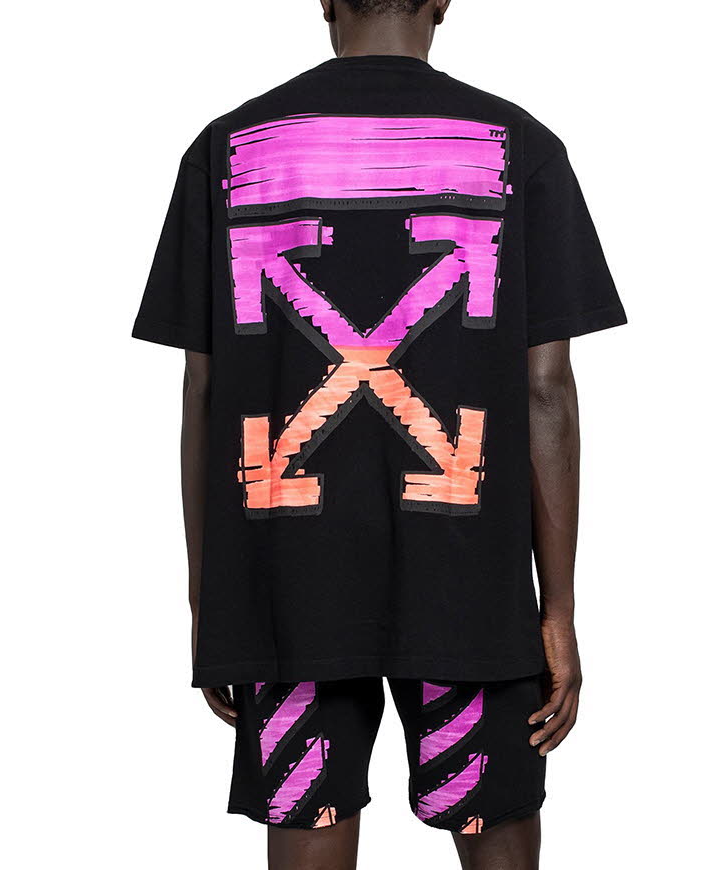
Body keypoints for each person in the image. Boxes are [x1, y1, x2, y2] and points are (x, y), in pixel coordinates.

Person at [133, 1, 625, 866]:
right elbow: (545, 391)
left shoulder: (228, 149)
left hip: (289, 584)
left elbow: (203, 392)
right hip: (470, 579)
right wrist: (558, 610)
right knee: (493, 818)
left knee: (309, 815)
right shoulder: (521, 148)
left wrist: (212, 600)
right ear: (444, 0)